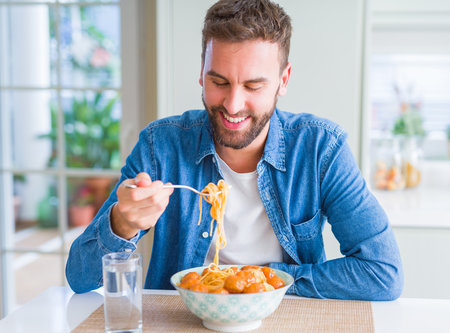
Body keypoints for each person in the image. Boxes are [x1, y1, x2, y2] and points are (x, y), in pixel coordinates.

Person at [66, 0, 403, 300]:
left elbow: (382, 273)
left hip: (286, 325)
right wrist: (122, 223)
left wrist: (260, 281)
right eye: (219, 82)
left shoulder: (321, 150)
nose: (233, 104)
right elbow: (79, 279)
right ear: (201, 73)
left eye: (253, 85)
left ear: (283, 80)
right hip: (180, 332)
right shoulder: (160, 147)